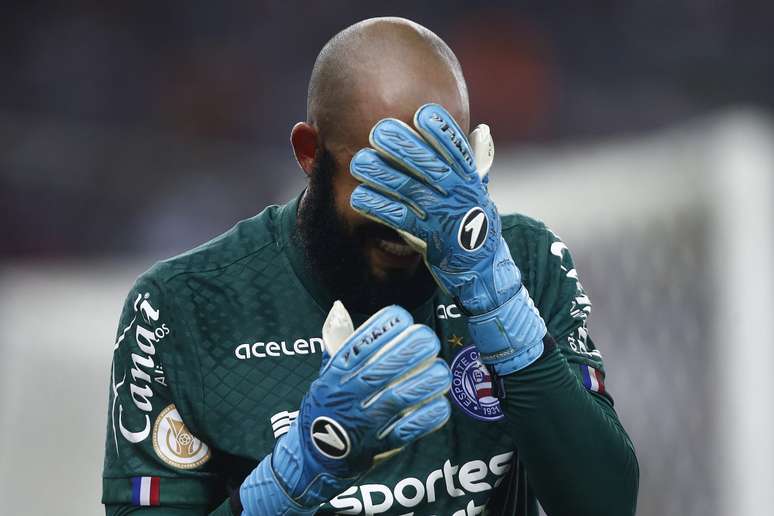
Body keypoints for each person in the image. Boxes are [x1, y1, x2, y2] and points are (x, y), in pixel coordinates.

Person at [102, 17, 638, 516]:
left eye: (435, 180)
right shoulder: (183, 306)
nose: (410, 224)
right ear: (310, 153)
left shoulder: (523, 259)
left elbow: (604, 504)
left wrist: (501, 308)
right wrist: (292, 480)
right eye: (383, 184)